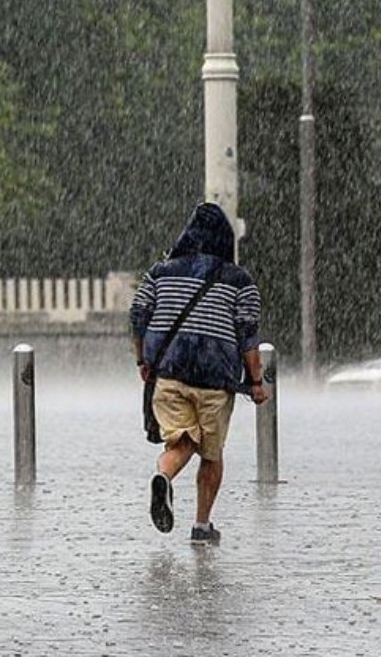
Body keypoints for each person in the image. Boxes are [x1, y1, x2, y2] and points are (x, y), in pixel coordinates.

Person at [130, 202, 267, 545]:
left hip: (169, 373)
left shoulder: (160, 272)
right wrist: (256, 382)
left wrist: (142, 360)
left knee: (182, 440)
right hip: (215, 380)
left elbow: (138, 316)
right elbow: (247, 336)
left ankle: (163, 475)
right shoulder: (240, 281)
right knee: (211, 453)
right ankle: (202, 527)